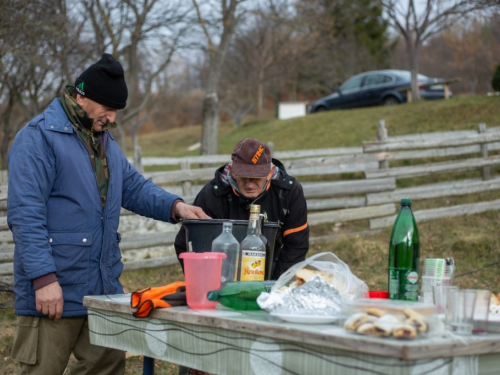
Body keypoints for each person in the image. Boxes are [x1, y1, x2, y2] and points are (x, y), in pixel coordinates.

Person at [7, 53, 209, 375]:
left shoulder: (103, 142)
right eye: (109, 109)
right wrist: (43, 279)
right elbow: (25, 214)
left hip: (102, 289)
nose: (113, 119)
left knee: (108, 367)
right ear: (82, 96)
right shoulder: (37, 139)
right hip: (53, 288)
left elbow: (134, 188)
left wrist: (176, 206)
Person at [175, 138, 309, 280]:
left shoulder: (289, 192)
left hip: (273, 266)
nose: (250, 184)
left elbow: (296, 245)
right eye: (244, 177)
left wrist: (275, 287)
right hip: (223, 272)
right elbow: (186, 243)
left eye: (256, 177)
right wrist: (206, 285)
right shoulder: (213, 194)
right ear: (232, 171)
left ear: (270, 173)